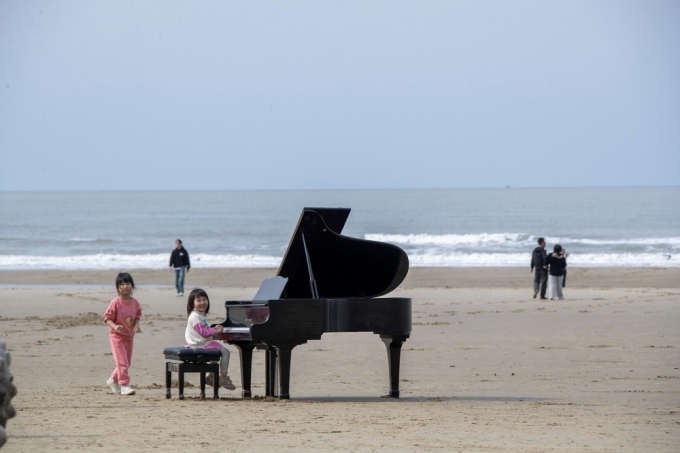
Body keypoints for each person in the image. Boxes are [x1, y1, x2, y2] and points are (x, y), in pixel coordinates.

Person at [185, 288, 236, 390]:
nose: (202, 302)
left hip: (200, 342)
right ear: (192, 304)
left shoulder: (199, 315)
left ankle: (210, 376)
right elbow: (203, 332)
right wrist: (215, 331)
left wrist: (214, 329)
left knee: (215, 351)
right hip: (200, 343)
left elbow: (204, 329)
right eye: (198, 300)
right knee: (225, 352)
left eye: (204, 299)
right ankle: (223, 378)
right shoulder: (195, 316)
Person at [104, 272, 142, 395]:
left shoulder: (134, 303)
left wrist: (137, 325)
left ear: (132, 285)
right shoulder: (115, 302)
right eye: (122, 284)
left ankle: (112, 380)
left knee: (127, 363)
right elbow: (107, 318)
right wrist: (115, 326)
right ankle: (124, 384)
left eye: (127, 283)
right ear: (118, 288)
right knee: (122, 363)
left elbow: (137, 316)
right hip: (117, 337)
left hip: (129, 337)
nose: (125, 286)